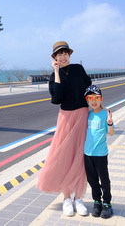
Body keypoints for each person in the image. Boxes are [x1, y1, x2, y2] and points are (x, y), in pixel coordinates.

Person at [36, 41, 92, 217]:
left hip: (82, 114)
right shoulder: (55, 76)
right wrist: (56, 71)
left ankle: (79, 197)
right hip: (66, 117)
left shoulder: (78, 69)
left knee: (81, 156)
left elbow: (89, 88)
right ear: (54, 58)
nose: (63, 56)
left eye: (65, 53)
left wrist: (98, 111)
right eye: (59, 54)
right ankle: (67, 197)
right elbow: (57, 98)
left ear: (69, 54)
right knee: (65, 155)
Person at [83, 84, 115, 219]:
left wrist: (109, 123)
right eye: (90, 98)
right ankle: (97, 201)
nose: (93, 101)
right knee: (92, 179)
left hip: (100, 154)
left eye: (96, 97)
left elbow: (112, 134)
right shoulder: (87, 114)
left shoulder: (104, 115)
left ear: (101, 99)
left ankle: (107, 203)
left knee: (104, 179)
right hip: (87, 153)